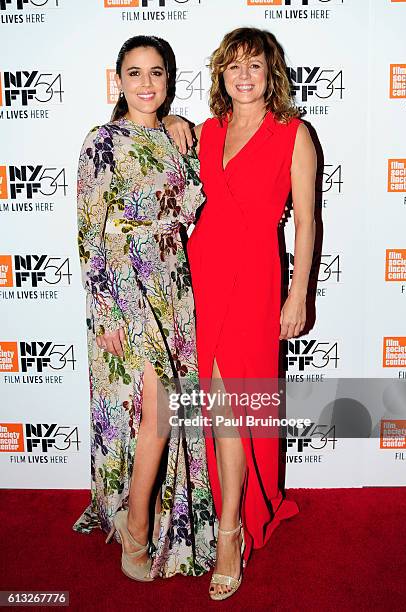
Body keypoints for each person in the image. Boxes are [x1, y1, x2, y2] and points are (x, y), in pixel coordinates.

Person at [164, 27, 316, 600]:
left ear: (270, 73)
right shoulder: (206, 130)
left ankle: (231, 533)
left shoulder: (294, 134)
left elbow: (306, 223)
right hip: (203, 272)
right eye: (233, 66)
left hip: (254, 277)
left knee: (231, 398)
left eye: (255, 65)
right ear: (222, 75)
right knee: (216, 400)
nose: (244, 75)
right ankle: (232, 515)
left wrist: (298, 294)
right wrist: (172, 123)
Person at [74, 35, 216, 581]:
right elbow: (90, 230)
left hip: (174, 283)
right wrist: (105, 310)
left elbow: (196, 206)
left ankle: (150, 514)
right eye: (135, 73)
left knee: (166, 407)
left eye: (156, 73)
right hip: (125, 281)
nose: (146, 84)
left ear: (169, 79)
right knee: (155, 405)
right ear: (119, 80)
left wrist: (179, 124)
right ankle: (136, 525)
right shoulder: (102, 141)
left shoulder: (182, 138)